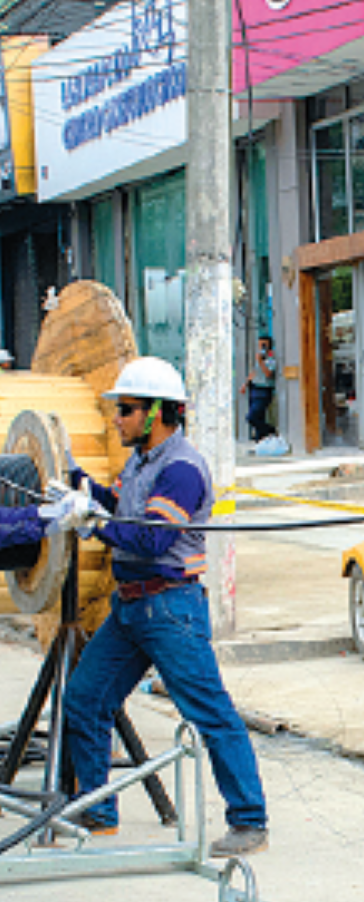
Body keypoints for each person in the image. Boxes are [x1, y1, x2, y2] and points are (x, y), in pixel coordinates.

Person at [59, 357, 269, 858]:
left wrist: (93, 523)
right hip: (132, 608)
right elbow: (124, 504)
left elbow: (152, 538)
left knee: (211, 715)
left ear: (157, 413)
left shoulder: (180, 469)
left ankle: (249, 821)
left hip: (169, 609)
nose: (117, 419)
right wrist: (83, 487)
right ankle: (98, 810)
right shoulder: (143, 462)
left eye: (126, 410)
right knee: (84, 699)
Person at [242, 335, 278, 443]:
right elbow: (254, 372)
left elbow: (268, 374)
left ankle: (270, 430)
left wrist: (261, 361)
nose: (262, 347)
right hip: (255, 388)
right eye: (260, 344)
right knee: (259, 417)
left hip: (264, 389)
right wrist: (245, 384)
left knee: (252, 417)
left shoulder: (271, 357)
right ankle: (260, 441)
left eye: (264, 345)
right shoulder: (259, 356)